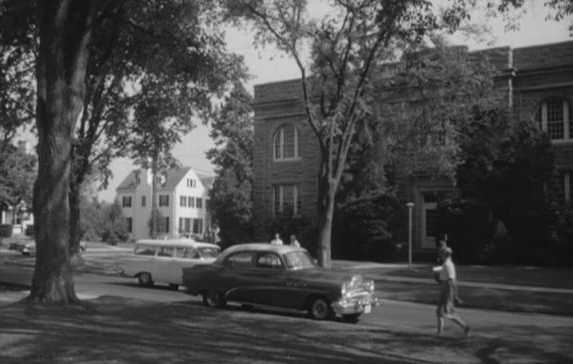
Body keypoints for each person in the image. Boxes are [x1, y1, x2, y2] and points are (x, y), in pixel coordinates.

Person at [432, 247, 470, 337]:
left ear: (446, 254)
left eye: (442, 253)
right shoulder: (445, 264)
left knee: (447, 312)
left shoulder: (448, 264)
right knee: (439, 311)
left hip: (447, 290)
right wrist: (437, 277)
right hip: (444, 288)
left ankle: (464, 326)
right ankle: (439, 332)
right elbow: (442, 279)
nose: (440, 255)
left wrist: (454, 295)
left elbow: (451, 280)